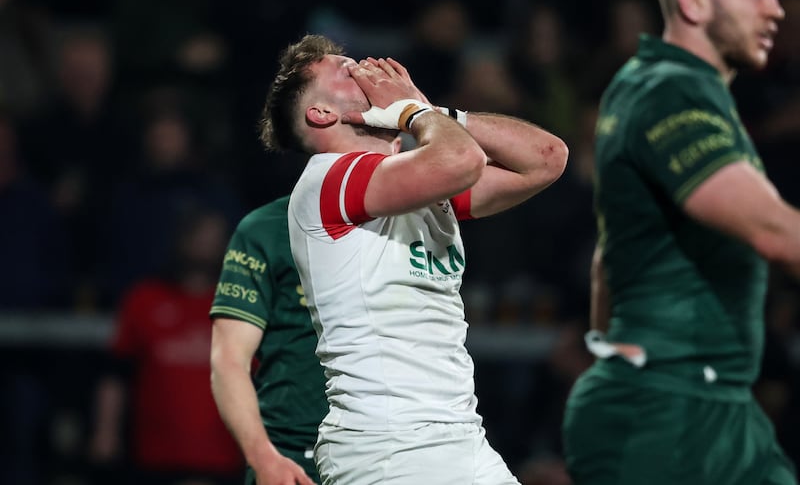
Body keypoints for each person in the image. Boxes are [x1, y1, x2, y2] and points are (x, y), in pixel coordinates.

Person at [260, 34, 568, 484]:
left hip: (463, 438)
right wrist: (413, 111)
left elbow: (546, 159)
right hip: (387, 448)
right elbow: (461, 160)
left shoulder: (418, 180)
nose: (370, 69)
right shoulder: (327, 180)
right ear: (323, 113)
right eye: (349, 71)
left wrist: (435, 113)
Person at [561, 0, 800, 484]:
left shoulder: (665, 85)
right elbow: (774, 232)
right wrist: (635, 373)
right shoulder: (668, 91)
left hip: (716, 407)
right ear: (693, 0)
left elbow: (610, 255)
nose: (775, 10)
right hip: (663, 414)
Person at [89, 207, 243, 485]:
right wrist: (105, 432)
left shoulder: (241, 304)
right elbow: (116, 374)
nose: (205, 245)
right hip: (156, 458)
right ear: (181, 239)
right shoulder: (144, 300)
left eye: (214, 237)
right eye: (198, 235)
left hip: (225, 458)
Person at [209, 194, 328, 485]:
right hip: (295, 459)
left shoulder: (414, 218)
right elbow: (228, 360)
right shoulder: (267, 227)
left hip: (394, 453)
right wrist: (264, 459)